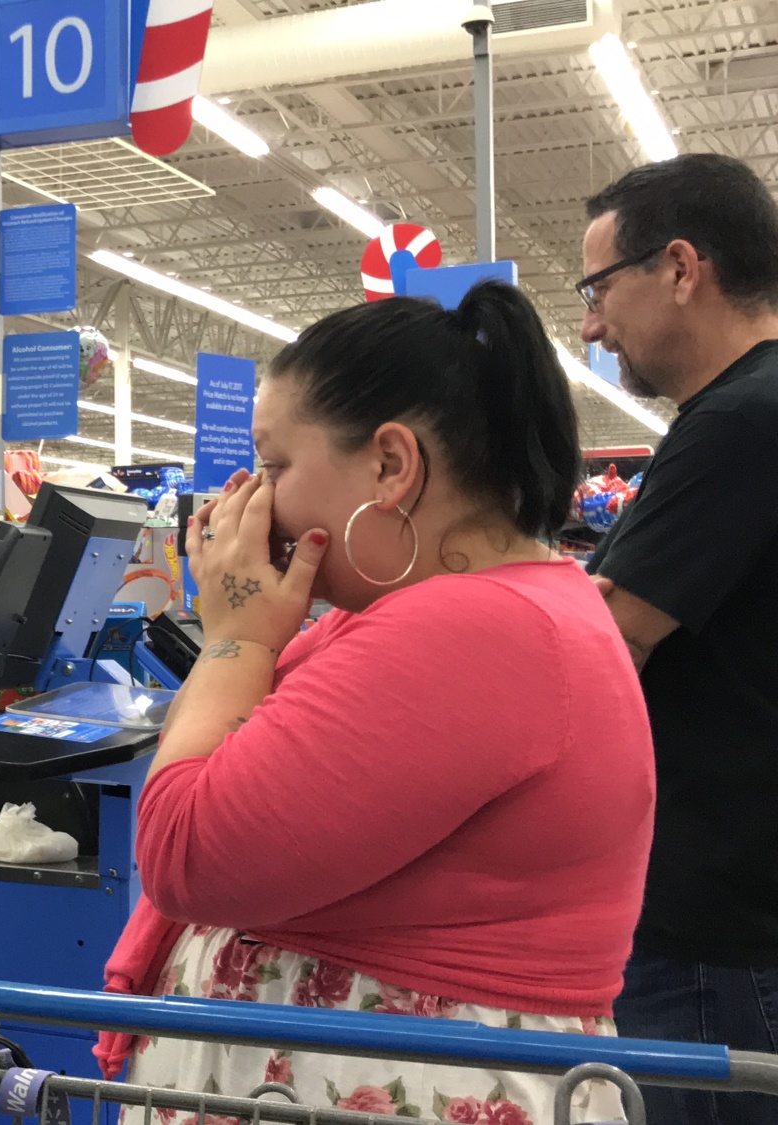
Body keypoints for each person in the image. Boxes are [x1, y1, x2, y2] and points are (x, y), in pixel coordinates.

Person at [100, 284, 654, 1123]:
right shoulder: (464, 612)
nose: (254, 498)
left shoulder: (476, 629)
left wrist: (237, 637)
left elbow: (186, 852)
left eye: (278, 465)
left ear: (391, 464)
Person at [577, 153, 778, 1125]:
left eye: (595, 287)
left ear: (680, 268)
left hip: (710, 935)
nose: (587, 324)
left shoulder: (738, 421)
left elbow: (602, 645)